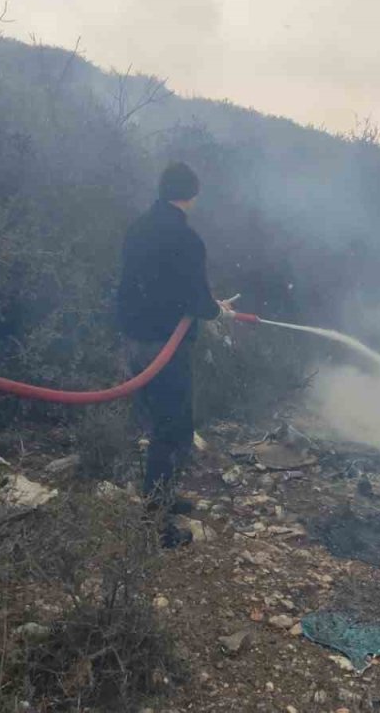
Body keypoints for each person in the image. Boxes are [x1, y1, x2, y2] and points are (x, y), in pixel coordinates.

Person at [116, 162, 235, 545]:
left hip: (135, 341)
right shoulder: (185, 238)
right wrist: (217, 311)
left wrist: (205, 305)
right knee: (173, 429)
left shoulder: (138, 227)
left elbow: (146, 284)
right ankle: (156, 524)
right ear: (192, 194)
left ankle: (162, 496)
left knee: (162, 425)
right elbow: (196, 298)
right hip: (165, 346)